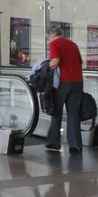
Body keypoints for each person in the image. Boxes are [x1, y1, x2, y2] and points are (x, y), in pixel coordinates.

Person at [45, 26, 84, 154]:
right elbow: (79, 62)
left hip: (62, 83)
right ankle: (75, 145)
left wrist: (45, 65)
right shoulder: (73, 44)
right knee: (73, 114)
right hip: (77, 82)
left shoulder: (55, 43)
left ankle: (54, 142)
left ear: (51, 36)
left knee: (57, 112)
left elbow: (55, 61)